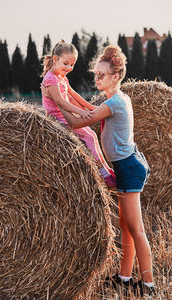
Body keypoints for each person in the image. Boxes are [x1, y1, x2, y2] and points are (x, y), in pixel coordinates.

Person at [49, 45, 156, 297]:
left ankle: (149, 285)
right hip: (126, 164)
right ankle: (125, 277)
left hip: (129, 168)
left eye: (102, 75)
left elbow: (76, 122)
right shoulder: (116, 99)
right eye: (95, 74)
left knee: (136, 228)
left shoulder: (114, 103)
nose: (97, 78)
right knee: (125, 226)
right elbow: (86, 108)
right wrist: (65, 91)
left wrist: (55, 101)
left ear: (116, 76)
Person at [40, 40, 116, 187]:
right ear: (55, 60)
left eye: (72, 64)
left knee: (92, 136)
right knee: (89, 136)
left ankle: (106, 169)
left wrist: (90, 107)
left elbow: (73, 95)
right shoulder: (50, 79)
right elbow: (61, 102)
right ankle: (104, 173)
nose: (69, 67)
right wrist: (81, 112)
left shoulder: (62, 78)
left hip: (66, 115)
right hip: (57, 119)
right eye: (66, 63)